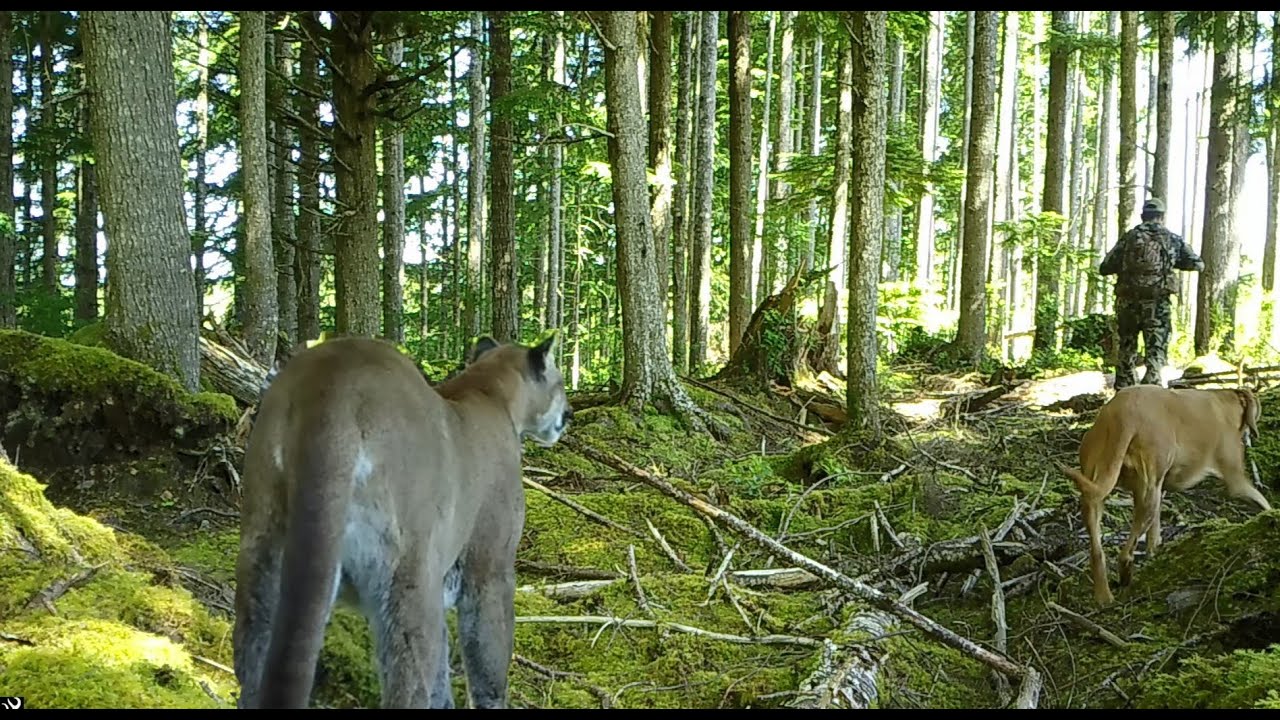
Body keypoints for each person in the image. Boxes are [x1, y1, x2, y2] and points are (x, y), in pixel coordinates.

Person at [1098, 197, 1204, 390]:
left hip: (1128, 302)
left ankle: (1124, 390)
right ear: (1161, 217)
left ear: (1142, 216)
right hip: (1157, 303)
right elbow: (1197, 264)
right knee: (1156, 346)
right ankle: (1152, 389)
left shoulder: (1129, 238)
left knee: (1127, 344)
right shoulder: (1172, 239)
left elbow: (1105, 267)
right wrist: (1172, 262)